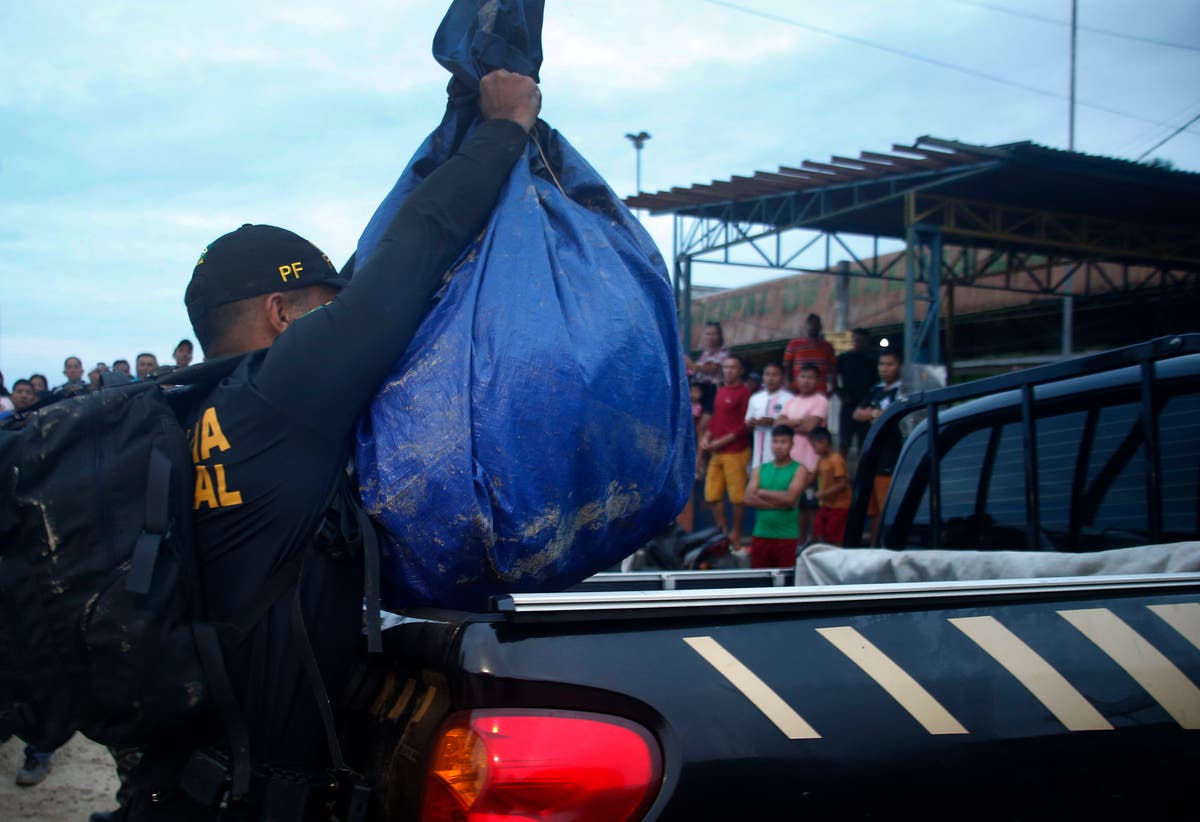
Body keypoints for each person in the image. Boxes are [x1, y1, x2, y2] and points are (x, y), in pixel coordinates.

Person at [113, 68, 541, 822]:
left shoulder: (180, 416)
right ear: (281, 313)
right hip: (253, 802)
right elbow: (417, 246)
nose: (339, 320)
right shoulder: (283, 391)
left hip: (179, 783)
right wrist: (505, 128)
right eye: (325, 306)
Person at [853, 349, 905, 545]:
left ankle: (888, 546)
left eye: (889, 364)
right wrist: (877, 413)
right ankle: (875, 547)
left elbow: (894, 415)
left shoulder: (903, 391)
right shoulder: (875, 390)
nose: (884, 368)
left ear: (899, 366)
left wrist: (873, 413)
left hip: (890, 459)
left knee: (887, 510)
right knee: (872, 512)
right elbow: (857, 414)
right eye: (881, 364)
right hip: (871, 460)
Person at [700, 355, 752, 549]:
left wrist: (720, 442)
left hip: (736, 450)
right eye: (726, 367)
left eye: (733, 367)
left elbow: (743, 426)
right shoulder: (720, 391)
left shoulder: (744, 393)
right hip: (717, 451)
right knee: (712, 495)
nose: (728, 371)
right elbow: (715, 419)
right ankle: (722, 533)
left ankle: (736, 534)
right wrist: (706, 437)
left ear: (740, 371)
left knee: (737, 497)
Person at [777, 363, 829, 544]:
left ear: (817, 380)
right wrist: (799, 422)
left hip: (812, 463)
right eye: (803, 377)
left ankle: (814, 542)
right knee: (796, 505)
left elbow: (810, 427)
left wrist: (790, 424)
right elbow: (778, 424)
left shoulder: (820, 400)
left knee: (812, 505)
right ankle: (799, 542)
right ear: (797, 379)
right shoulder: (792, 401)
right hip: (793, 463)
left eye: (810, 377)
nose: (806, 381)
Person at [744, 425, 806, 568]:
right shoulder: (760, 469)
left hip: (786, 536)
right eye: (775, 442)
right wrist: (780, 504)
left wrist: (763, 493)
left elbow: (790, 498)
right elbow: (748, 498)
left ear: (792, 444)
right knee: (759, 578)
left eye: (783, 442)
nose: (779, 446)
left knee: (784, 579)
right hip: (761, 534)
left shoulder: (799, 469)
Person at [836, 328, 878, 457]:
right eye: (856, 340)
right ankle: (840, 468)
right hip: (848, 404)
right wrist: (840, 393)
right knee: (844, 442)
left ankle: (863, 468)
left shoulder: (873, 359)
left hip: (866, 406)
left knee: (864, 442)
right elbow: (832, 376)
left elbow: (878, 382)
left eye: (862, 340)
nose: (859, 343)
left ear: (867, 341)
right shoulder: (844, 358)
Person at [808, 427, 851, 546]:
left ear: (824, 442)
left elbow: (842, 483)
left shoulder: (836, 460)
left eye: (814, 446)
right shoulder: (821, 460)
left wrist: (823, 493)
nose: (813, 450)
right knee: (818, 526)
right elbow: (812, 478)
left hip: (840, 505)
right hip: (828, 504)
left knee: (835, 534)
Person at [744, 362, 792, 470]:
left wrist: (773, 422)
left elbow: (794, 426)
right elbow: (747, 426)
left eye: (775, 375)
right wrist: (751, 423)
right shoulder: (755, 398)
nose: (771, 378)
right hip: (758, 455)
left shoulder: (789, 399)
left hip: (781, 455)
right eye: (767, 374)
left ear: (782, 377)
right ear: (763, 377)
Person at [783, 313, 837, 397]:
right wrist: (788, 385)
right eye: (811, 324)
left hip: (820, 392)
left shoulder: (828, 347)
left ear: (820, 327)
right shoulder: (793, 345)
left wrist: (832, 388)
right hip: (798, 392)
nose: (813, 327)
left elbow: (833, 370)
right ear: (806, 326)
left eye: (816, 324)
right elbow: (786, 368)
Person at [691, 321, 729, 403]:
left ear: (720, 336)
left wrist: (692, 365)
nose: (710, 337)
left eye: (714, 334)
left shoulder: (723, 351)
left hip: (712, 388)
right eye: (708, 334)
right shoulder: (705, 353)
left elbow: (712, 369)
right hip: (699, 389)